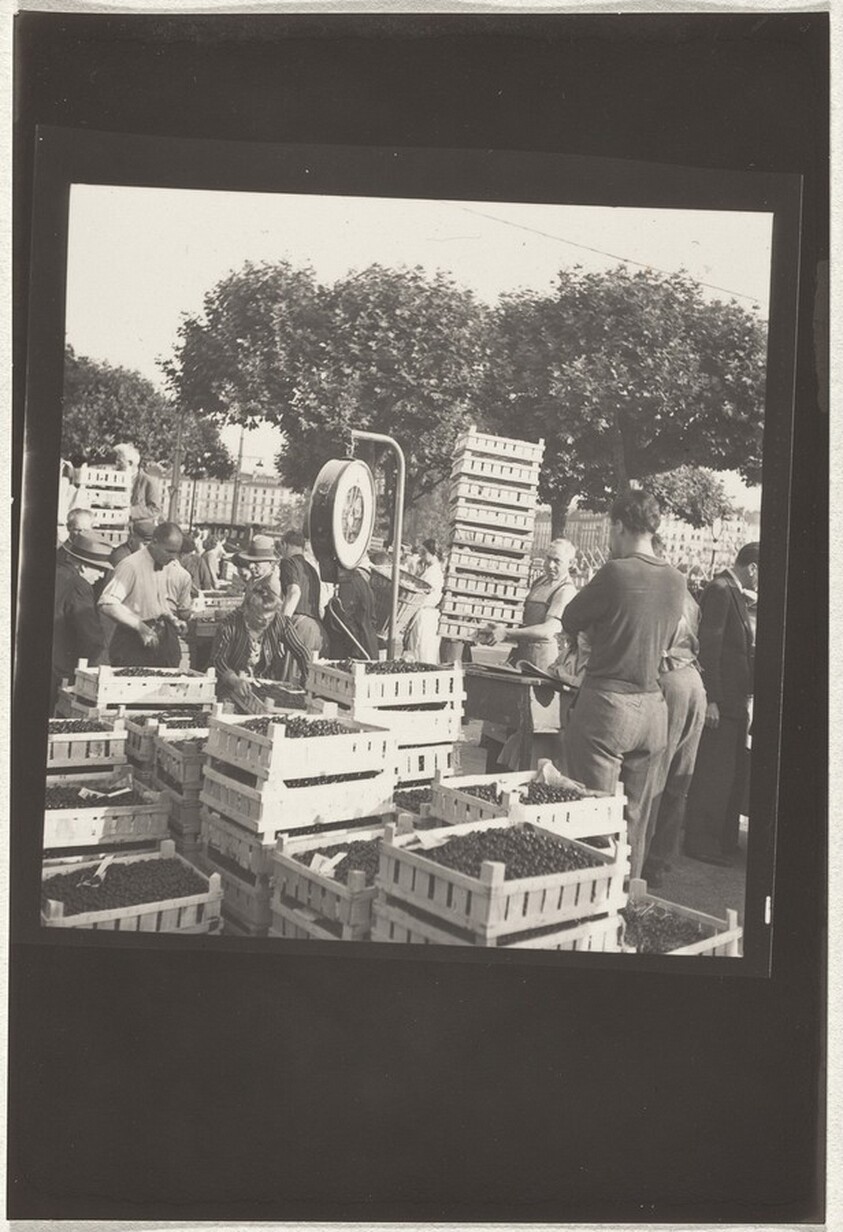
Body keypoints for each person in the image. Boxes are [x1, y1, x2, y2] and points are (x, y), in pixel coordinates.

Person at [559, 492, 686, 881]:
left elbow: (570, 615)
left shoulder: (615, 572)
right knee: (636, 819)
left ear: (619, 526)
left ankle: (589, 903)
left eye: (610, 530)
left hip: (608, 707)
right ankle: (628, 896)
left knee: (593, 813)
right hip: (653, 709)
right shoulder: (677, 580)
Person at [682, 542, 759, 866]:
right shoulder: (720, 590)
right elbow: (709, 649)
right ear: (753, 567)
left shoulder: (730, 591)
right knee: (715, 774)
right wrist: (712, 698)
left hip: (732, 701)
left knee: (728, 773)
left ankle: (721, 839)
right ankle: (701, 841)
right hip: (722, 702)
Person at [640, 536, 708, 889]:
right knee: (679, 779)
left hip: (670, 681)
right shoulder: (687, 591)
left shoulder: (658, 586)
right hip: (694, 680)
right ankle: (660, 862)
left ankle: (640, 862)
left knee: (654, 776)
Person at [98, 522, 193, 668]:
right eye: (169, 551)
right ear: (154, 543)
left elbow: (157, 604)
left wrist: (173, 619)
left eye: (176, 552)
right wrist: (140, 627)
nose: (174, 557)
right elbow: (107, 604)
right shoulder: (131, 566)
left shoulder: (165, 564)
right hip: (133, 641)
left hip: (161, 638)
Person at [482, 538, 578, 672]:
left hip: (541, 661)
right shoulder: (540, 582)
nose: (550, 565)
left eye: (557, 561)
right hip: (521, 654)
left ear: (571, 563)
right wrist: (498, 628)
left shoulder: (565, 590)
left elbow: (548, 630)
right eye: (548, 558)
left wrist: (507, 633)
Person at [212, 588, 312, 703]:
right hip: (230, 687)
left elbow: (301, 651)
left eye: (270, 618)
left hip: (262, 685)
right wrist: (235, 681)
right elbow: (219, 660)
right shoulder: (229, 625)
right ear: (247, 611)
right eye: (260, 618)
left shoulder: (279, 622)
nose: (266, 623)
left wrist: (308, 677)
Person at [52, 533, 113, 711]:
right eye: (99, 568)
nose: (102, 575)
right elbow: (91, 638)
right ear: (84, 567)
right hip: (59, 672)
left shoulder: (53, 572)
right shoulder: (79, 586)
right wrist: (102, 675)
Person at [278, 529, 327, 679]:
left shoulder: (288, 562)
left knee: (289, 682)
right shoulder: (312, 569)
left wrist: (282, 627)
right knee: (309, 682)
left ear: (285, 545)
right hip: (318, 631)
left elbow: (294, 592)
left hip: (299, 629)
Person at [325, 563, 379, 660]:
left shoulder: (348, 582)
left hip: (357, 649)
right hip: (369, 642)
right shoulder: (362, 582)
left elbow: (344, 617)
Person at [404, 538, 444, 664]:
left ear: (432, 553)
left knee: (423, 648)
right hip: (423, 612)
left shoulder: (435, 572)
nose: (421, 555)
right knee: (417, 646)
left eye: (424, 552)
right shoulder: (428, 570)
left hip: (427, 613)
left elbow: (428, 595)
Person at [237, 534, 282, 603]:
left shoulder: (270, 585)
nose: (251, 566)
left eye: (256, 562)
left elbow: (266, 612)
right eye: (250, 561)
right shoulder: (254, 580)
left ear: (270, 562)